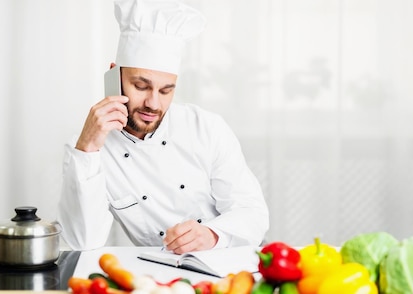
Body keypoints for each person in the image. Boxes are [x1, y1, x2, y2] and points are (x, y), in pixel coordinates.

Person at [57, 0, 269, 254]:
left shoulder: (206, 128)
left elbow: (252, 213)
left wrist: (213, 235)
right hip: (160, 273)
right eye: (141, 86)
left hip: (228, 260)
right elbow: (83, 241)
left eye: (166, 90)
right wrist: (88, 150)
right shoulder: (86, 147)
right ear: (114, 75)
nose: (153, 104)